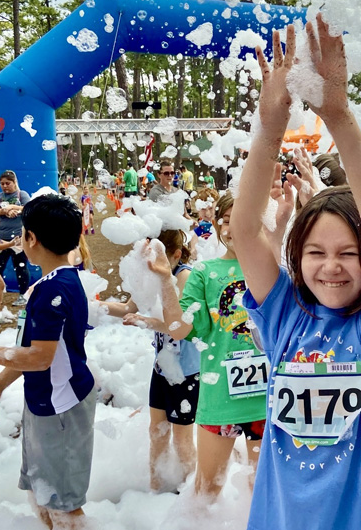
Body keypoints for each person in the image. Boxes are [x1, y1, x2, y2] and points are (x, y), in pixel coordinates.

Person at [234, 18, 361, 530]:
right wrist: (269, 128)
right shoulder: (284, 317)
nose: (331, 266)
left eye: (348, 253)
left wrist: (338, 116)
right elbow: (245, 233)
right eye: (315, 252)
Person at [0, 193, 93, 530]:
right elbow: (35, 351)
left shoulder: (53, 290)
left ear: (31, 238)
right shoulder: (56, 283)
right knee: (43, 492)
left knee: (63, 504)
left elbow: (40, 357)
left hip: (62, 407)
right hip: (46, 402)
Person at [148, 192, 266, 499]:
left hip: (267, 401)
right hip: (220, 396)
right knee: (207, 488)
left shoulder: (275, 269)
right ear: (216, 224)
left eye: (242, 220)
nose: (234, 228)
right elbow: (180, 327)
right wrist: (164, 280)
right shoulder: (205, 272)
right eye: (227, 221)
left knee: (262, 488)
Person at [106, 229, 199, 493]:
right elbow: (127, 308)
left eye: (156, 258)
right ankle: (155, 488)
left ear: (176, 255)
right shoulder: (152, 273)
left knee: (182, 438)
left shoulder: (185, 276)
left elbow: (182, 327)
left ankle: (189, 495)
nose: (150, 265)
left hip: (187, 371)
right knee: (156, 430)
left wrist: (149, 323)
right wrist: (91, 305)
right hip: (163, 366)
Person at [0, 170, 32, 306]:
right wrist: (4, 211)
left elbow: (29, 208)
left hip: (18, 239)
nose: (4, 186)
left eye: (7, 183)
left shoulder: (22, 195)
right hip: (1, 238)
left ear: (14, 183)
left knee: (20, 266)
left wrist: (15, 207)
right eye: (2, 183)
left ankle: (23, 294)